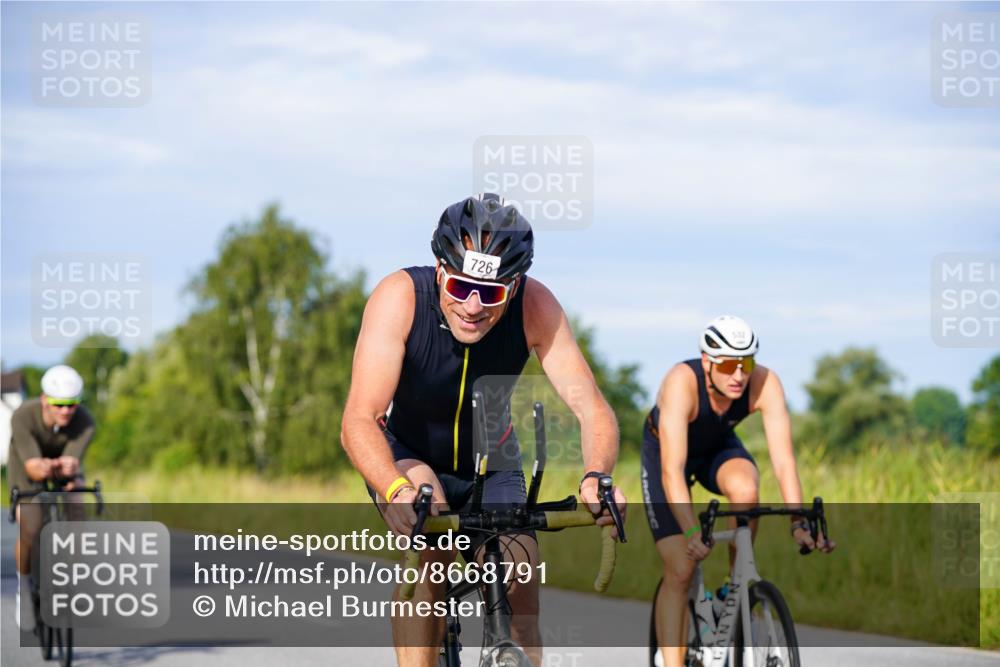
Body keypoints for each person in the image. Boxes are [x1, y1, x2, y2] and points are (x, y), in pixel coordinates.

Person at [341, 193, 626, 667]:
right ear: (439, 271)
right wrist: (391, 488)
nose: (473, 306)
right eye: (460, 287)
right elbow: (357, 419)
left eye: (491, 293)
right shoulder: (399, 297)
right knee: (431, 547)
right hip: (410, 455)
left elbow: (592, 407)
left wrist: (597, 475)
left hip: (492, 461)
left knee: (520, 577)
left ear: (513, 288)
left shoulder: (537, 305)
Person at [642, 316, 834, 667]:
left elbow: (784, 462)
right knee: (682, 568)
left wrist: (798, 521)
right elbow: (672, 471)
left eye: (746, 363)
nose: (739, 376)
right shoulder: (680, 383)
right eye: (729, 364)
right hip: (666, 455)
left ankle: (733, 589)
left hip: (717, 447)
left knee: (746, 489)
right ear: (706, 362)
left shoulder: (765, 383)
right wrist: (690, 531)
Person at [8, 364, 95, 631]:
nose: (66, 410)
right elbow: (32, 467)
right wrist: (45, 466)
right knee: (31, 528)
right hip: (26, 466)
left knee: (77, 505)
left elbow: (72, 462)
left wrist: (71, 472)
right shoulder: (24, 415)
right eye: (59, 404)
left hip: (61, 466)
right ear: (46, 400)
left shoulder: (85, 421)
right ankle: (24, 585)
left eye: (72, 404)